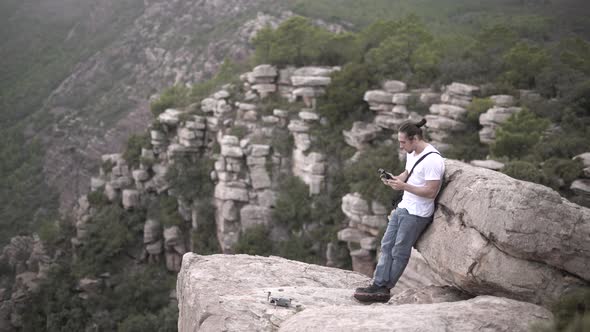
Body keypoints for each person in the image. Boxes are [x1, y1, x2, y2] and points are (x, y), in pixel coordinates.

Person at [355, 118, 445, 302]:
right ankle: (377, 284)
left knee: (399, 251)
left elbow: (430, 192)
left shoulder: (434, 160)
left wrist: (404, 187)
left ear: (415, 139)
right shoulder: (412, 153)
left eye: (403, 142)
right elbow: (408, 173)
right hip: (404, 207)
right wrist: (395, 180)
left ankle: (384, 289)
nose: (401, 146)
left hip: (417, 213)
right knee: (386, 245)